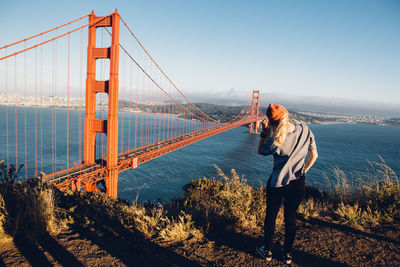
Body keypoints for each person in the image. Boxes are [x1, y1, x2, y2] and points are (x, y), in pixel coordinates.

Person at [255, 104, 318, 264]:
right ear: (287, 115)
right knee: (291, 218)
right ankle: (287, 254)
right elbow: (314, 155)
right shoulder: (305, 130)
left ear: (270, 122)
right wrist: (303, 171)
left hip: (277, 183)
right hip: (298, 183)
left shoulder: (274, 140)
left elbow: (260, 150)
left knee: (271, 217)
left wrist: (264, 132)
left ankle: (267, 251)